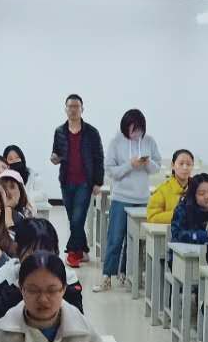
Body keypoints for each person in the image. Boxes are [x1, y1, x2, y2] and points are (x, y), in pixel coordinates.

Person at [0, 218, 84, 331]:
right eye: (32, 253)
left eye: (46, 252)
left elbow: (78, 324)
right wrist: (17, 291)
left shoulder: (68, 280)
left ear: (56, 252)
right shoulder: (1, 279)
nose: (40, 260)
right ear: (18, 250)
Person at [99, 108, 162, 291]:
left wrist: (147, 163)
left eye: (139, 129)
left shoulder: (149, 141)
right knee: (115, 238)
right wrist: (130, 165)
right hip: (121, 197)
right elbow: (111, 171)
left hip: (142, 198)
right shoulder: (116, 142)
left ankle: (127, 273)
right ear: (125, 128)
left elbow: (157, 167)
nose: (136, 134)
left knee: (135, 240)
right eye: (132, 130)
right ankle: (107, 275)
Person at [50, 94, 104, 267]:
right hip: (66, 181)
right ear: (65, 109)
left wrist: (98, 182)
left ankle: (72, 253)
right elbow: (56, 152)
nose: (73, 110)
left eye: (76, 106)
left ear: (82, 109)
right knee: (74, 219)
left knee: (77, 218)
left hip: (85, 182)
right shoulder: (59, 131)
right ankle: (83, 250)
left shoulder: (91, 132)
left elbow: (99, 157)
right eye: (70, 106)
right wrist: (55, 158)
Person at [169, 173, 208, 248]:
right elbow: (177, 234)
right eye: (201, 194)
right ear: (193, 196)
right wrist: (204, 235)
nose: (207, 197)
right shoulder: (183, 209)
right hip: (184, 252)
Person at [147, 148, 193, 224]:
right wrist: (179, 215)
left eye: (188, 164)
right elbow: (152, 217)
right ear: (173, 165)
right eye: (181, 164)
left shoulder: (197, 189)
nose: (185, 167)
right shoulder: (162, 191)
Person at [2, 144, 49, 213]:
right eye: (10, 159)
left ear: (22, 158)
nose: (14, 161)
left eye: (17, 158)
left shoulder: (33, 175)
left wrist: (25, 197)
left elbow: (43, 195)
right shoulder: (3, 178)